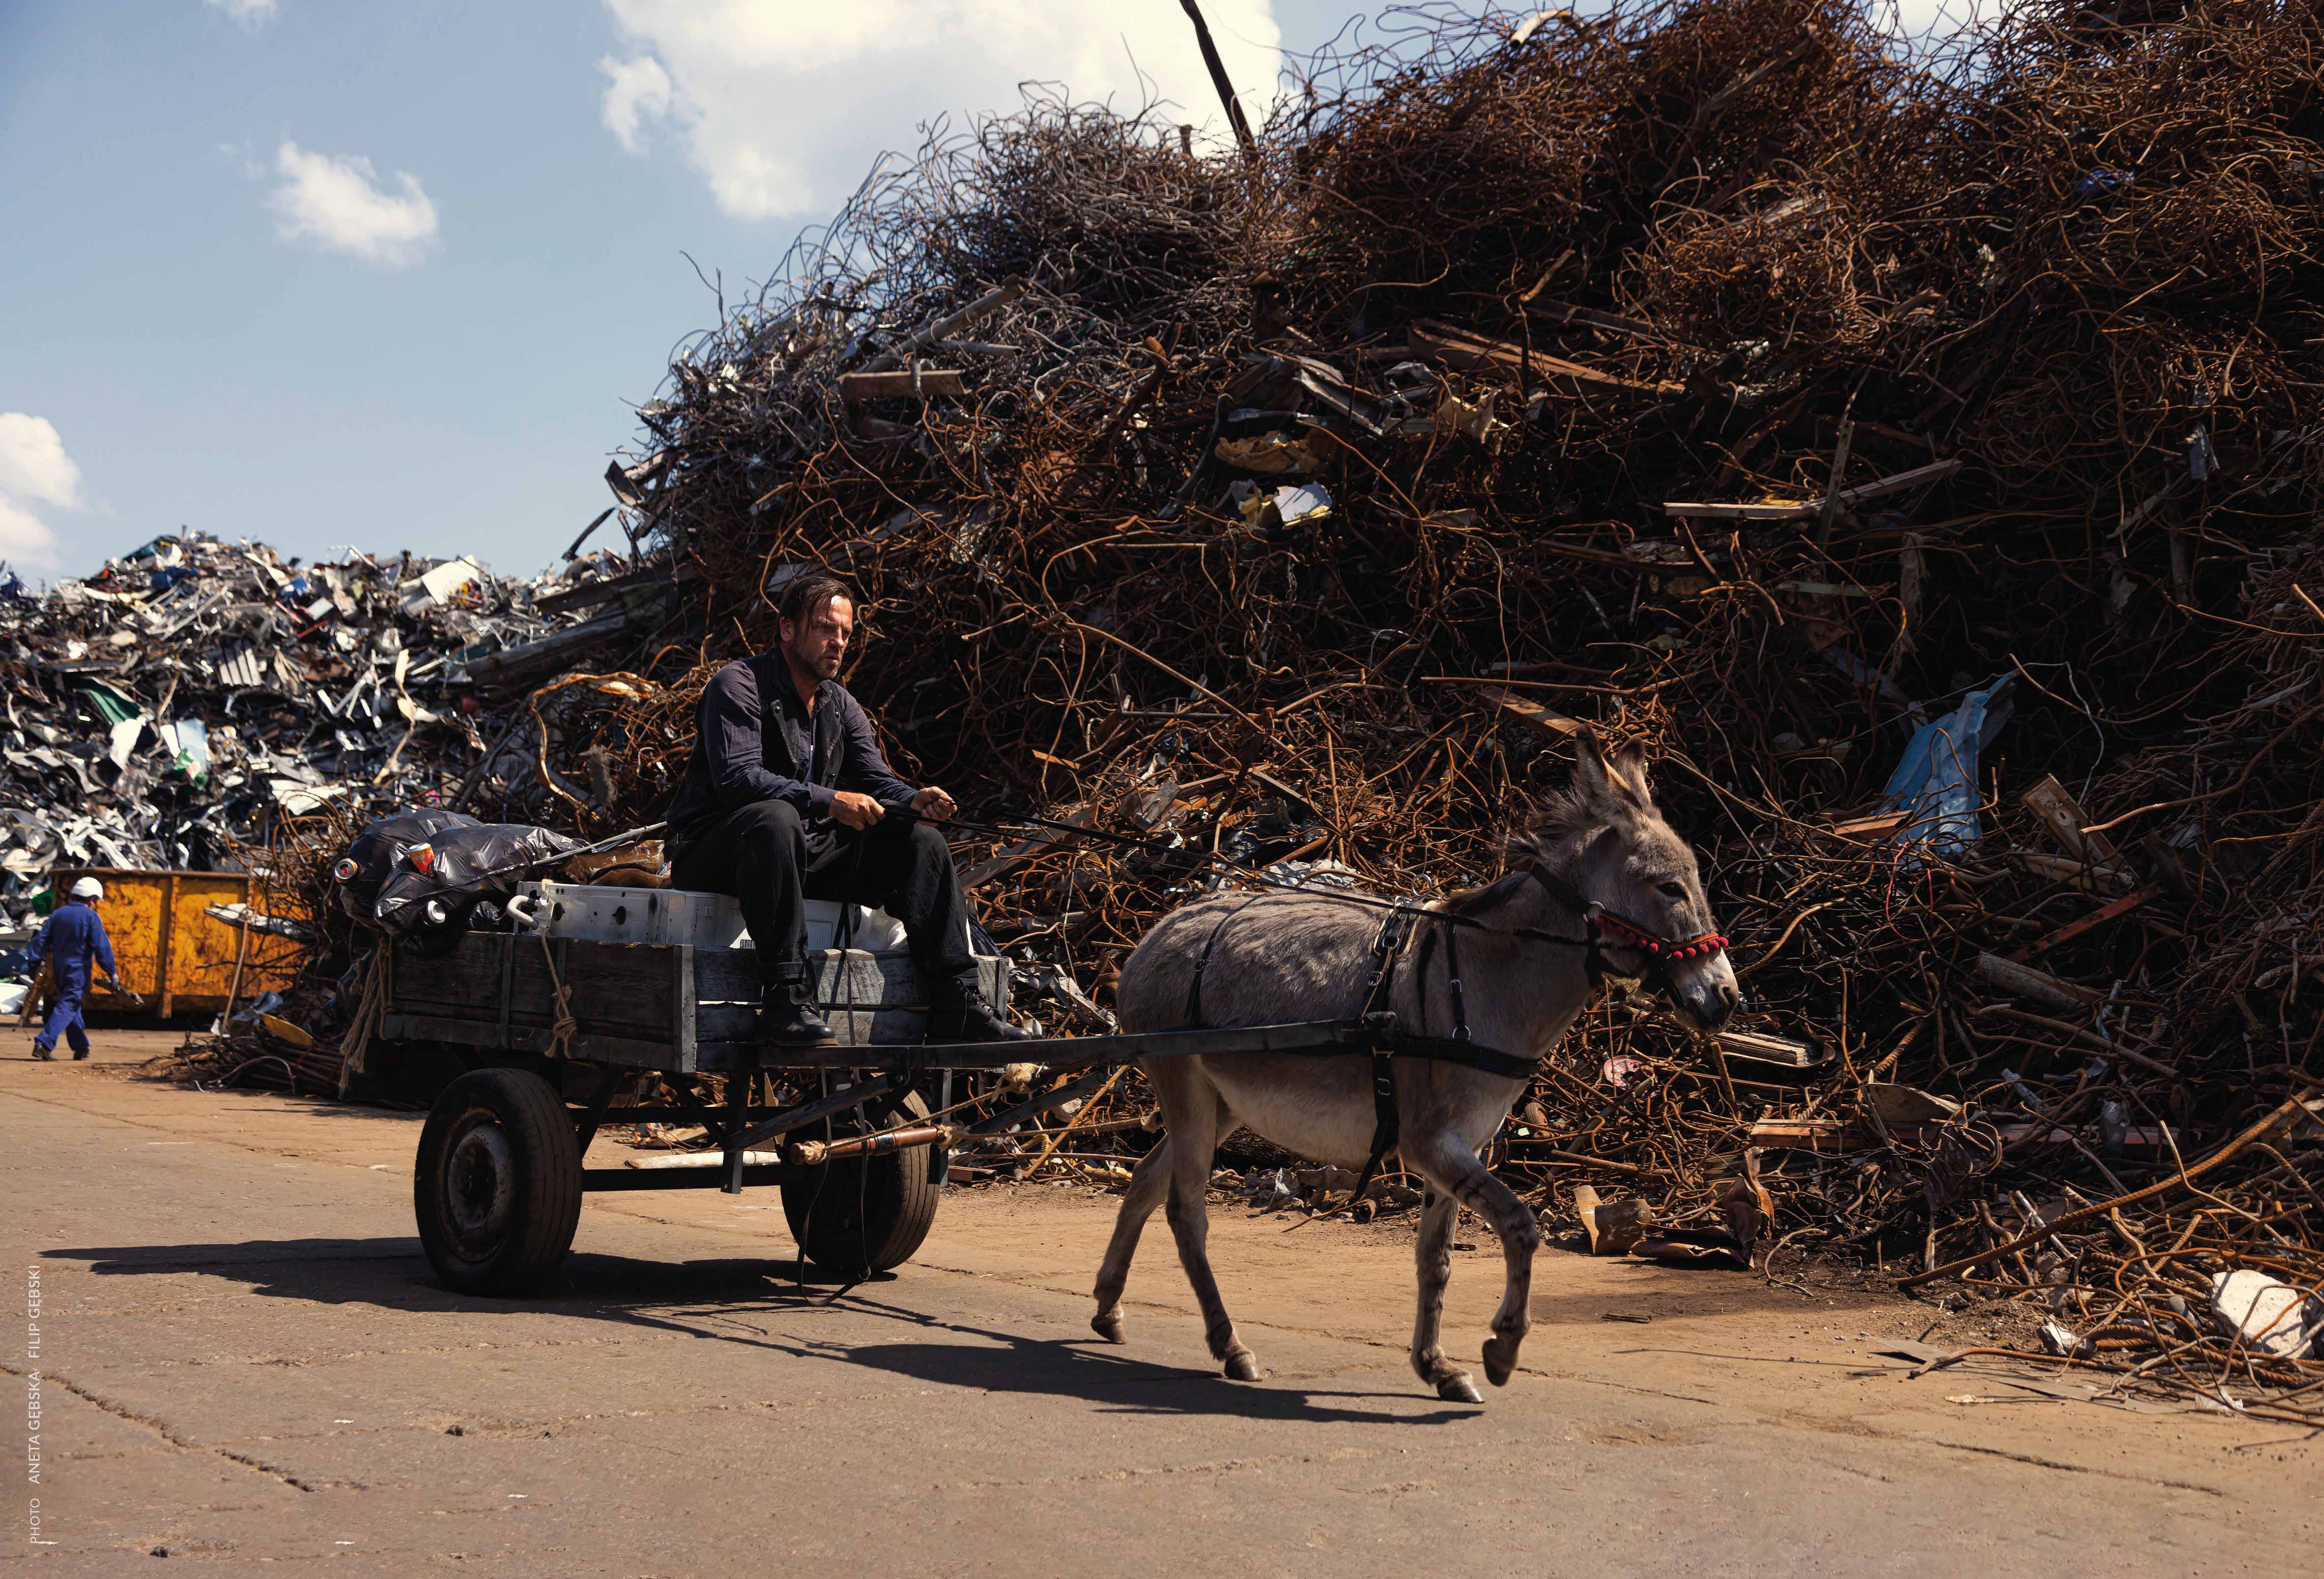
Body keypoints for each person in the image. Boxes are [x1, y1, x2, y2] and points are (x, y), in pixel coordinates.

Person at [662, 573, 1026, 1046]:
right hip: (717, 852)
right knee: (775, 817)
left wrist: (912, 799)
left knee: (921, 842)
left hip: (797, 854)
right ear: (788, 628)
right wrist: (831, 801)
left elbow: (874, 778)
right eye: (825, 628)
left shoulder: (841, 704)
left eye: (847, 633)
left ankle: (957, 1001)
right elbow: (739, 780)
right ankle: (787, 1000)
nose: (838, 643)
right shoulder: (738, 685)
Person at [29, 876, 121, 1062]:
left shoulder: (58, 914)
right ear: (92, 900)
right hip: (77, 971)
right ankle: (44, 1043)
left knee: (71, 1006)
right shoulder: (91, 917)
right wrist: (112, 972)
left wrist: (34, 962)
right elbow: (102, 946)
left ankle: (81, 1047)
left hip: (59, 970)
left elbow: (41, 940)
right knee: (69, 1005)